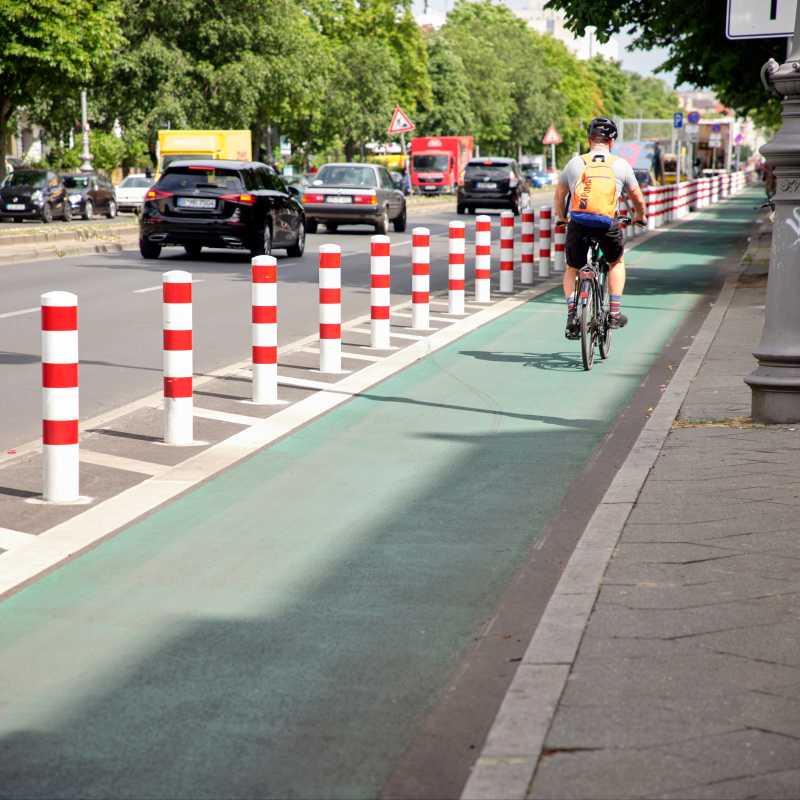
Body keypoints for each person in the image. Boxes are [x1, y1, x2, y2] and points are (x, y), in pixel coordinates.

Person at [553, 117, 647, 339]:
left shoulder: (575, 163)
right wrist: (640, 216)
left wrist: (561, 217)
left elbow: (560, 195)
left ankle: (572, 315)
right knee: (616, 261)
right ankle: (614, 313)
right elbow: (637, 198)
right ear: (611, 142)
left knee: (572, 268)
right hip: (607, 223)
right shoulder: (620, 165)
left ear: (589, 140)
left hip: (578, 222)